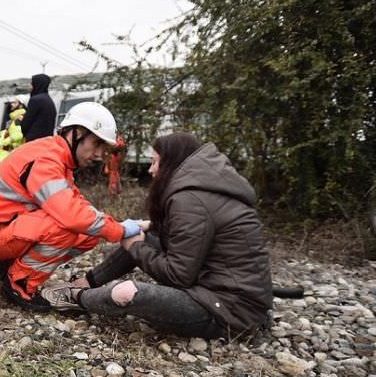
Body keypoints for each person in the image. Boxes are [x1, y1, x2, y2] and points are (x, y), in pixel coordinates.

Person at [41, 132, 273, 339]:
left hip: (228, 313)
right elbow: (190, 237)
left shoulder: (190, 200)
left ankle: (78, 297)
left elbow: (178, 275)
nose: (151, 170)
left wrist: (135, 247)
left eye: (155, 162)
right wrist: (146, 232)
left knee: (127, 292)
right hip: (220, 291)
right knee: (145, 238)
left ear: (171, 163)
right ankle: (88, 282)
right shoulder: (203, 191)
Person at [0, 102, 144, 311]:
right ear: (77, 133)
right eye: (97, 143)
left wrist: (113, 224)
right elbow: (70, 214)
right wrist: (120, 230)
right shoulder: (47, 159)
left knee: (90, 233)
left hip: (6, 230)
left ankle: (13, 267)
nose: (100, 154)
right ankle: (20, 283)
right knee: (67, 225)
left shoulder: (57, 158)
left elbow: (77, 204)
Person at [20, 73, 56, 142]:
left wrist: (19, 122)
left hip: (34, 141)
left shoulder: (35, 100)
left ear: (37, 84)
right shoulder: (49, 100)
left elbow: (26, 124)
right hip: (46, 141)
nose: (30, 87)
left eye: (31, 84)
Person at [0, 97, 26, 163]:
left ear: (21, 105)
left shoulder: (20, 118)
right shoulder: (13, 118)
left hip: (14, 153)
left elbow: (18, 135)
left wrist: (3, 142)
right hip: (12, 153)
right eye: (11, 103)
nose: (11, 104)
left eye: (14, 103)